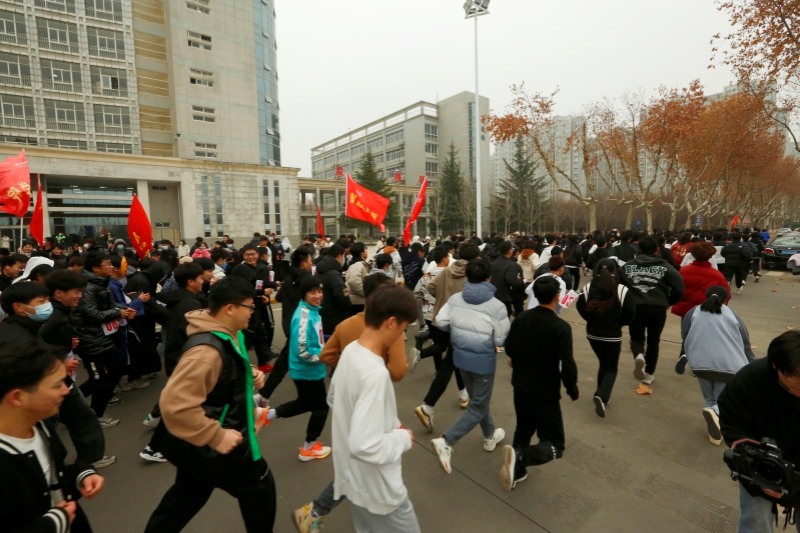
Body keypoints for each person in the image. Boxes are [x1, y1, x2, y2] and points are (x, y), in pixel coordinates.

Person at [145, 276, 272, 533]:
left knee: (181, 502)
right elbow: (173, 404)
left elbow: (225, 369)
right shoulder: (206, 351)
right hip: (221, 445)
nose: (252, 312)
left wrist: (249, 372)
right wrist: (216, 436)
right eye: (249, 306)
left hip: (201, 448)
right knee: (261, 491)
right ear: (230, 308)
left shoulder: (227, 334)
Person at [292, 273, 406, 531]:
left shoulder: (346, 326)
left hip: (347, 397)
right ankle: (318, 510)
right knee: (369, 459)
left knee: (358, 456)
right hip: (375, 399)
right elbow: (398, 371)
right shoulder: (391, 329)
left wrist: (348, 367)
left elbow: (326, 355)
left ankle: (317, 511)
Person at [326, 283, 421, 533]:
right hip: (380, 491)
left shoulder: (350, 352)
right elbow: (365, 445)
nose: (401, 335)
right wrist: (402, 438)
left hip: (353, 480)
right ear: (391, 323)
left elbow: (334, 399)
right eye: (403, 328)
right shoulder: (375, 374)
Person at [0, 340, 106, 533]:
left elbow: (51, 476)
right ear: (17, 397)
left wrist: (81, 474)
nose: (66, 390)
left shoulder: (40, 426)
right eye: (57, 386)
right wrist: (54, 523)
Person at [430, 258, 510, 474]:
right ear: (489, 278)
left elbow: (442, 321)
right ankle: (447, 440)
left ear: (468, 277)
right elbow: (500, 339)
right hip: (483, 362)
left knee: (478, 402)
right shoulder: (497, 306)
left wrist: (459, 329)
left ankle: (489, 435)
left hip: (460, 358)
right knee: (478, 405)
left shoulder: (455, 299)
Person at [500, 276, 580, 491]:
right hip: (545, 391)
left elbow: (509, 348)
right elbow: (567, 364)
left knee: (524, 427)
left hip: (520, 385)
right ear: (557, 297)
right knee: (555, 444)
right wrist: (572, 389)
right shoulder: (560, 327)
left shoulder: (521, 318)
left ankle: (516, 471)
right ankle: (520, 456)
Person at [718, 331, 800, 532]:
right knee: (756, 520)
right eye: (797, 379)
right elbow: (732, 423)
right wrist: (757, 462)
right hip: (761, 468)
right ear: (776, 365)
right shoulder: (748, 381)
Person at [40, 270, 114, 469]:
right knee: (76, 418)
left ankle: (86, 460)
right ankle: (86, 461)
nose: (80, 296)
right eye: (76, 291)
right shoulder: (54, 316)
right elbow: (34, 345)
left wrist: (66, 344)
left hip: (56, 376)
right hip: (52, 376)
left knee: (74, 417)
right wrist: (57, 363)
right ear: (58, 293)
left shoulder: (61, 312)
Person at [140, 262, 206, 462]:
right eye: (200, 278)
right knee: (180, 406)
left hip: (177, 358)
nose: (203, 281)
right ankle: (155, 447)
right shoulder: (190, 304)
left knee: (180, 403)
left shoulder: (180, 300)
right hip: (184, 360)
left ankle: (157, 442)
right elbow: (192, 334)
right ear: (191, 281)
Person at [264, 276, 332, 461]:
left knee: (304, 403)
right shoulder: (304, 317)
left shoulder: (312, 311)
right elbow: (303, 351)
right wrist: (326, 356)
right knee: (321, 408)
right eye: (312, 292)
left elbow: (314, 340)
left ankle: (267, 414)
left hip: (309, 370)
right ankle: (308, 448)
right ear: (304, 294)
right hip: (306, 371)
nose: (317, 295)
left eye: (319, 291)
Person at [413, 244, 480, 431]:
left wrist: (444, 298)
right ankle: (428, 405)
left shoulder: (448, 269)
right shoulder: (473, 273)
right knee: (449, 363)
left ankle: (462, 394)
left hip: (442, 320)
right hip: (461, 324)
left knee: (451, 359)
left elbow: (431, 286)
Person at [682, 286, 755, 446]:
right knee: (723, 402)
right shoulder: (732, 315)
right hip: (729, 366)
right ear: (726, 300)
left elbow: (685, 335)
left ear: (706, 296)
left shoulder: (692, 313)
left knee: (710, 398)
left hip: (700, 365)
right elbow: (745, 343)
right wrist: (752, 365)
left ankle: (715, 434)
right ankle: (715, 413)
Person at [73, 252, 137, 428]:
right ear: (95, 268)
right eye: (107, 264)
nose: (111, 267)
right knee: (101, 379)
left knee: (106, 377)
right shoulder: (88, 287)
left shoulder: (102, 283)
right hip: (91, 340)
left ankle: (70, 407)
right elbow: (91, 314)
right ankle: (93, 415)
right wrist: (118, 313)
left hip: (103, 338)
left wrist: (123, 309)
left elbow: (109, 305)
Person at [618, 237, 684, 385]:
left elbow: (617, 285)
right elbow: (679, 289)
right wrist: (668, 301)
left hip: (635, 306)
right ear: (657, 249)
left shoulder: (628, 266)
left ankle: (639, 355)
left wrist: (625, 302)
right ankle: (648, 373)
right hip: (658, 307)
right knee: (654, 340)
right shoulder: (666, 267)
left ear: (639, 249)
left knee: (636, 337)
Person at [576, 259, 636, 417]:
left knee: (604, 363)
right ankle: (603, 396)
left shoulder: (588, 287)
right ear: (615, 270)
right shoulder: (622, 289)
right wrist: (619, 323)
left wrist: (590, 319)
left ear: (595, 270)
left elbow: (580, 306)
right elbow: (630, 311)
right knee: (611, 368)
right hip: (612, 336)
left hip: (593, 334)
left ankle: (600, 392)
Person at [230, 244, 277, 371]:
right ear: (243, 256)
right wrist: (262, 292)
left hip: (254, 306)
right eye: (247, 255)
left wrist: (260, 296)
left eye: (253, 254)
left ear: (258, 255)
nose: (250, 257)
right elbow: (242, 291)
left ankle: (263, 363)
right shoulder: (241, 269)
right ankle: (234, 365)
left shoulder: (256, 268)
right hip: (243, 308)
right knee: (247, 337)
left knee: (260, 335)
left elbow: (254, 289)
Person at [411, 246, 449, 372]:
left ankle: (438, 370)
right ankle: (420, 354)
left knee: (437, 342)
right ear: (444, 259)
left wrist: (424, 303)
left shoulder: (426, 276)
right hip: (444, 315)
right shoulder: (449, 275)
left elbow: (416, 294)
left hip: (428, 314)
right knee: (442, 345)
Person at [316, 244, 351, 336]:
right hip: (334, 316)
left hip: (321, 314)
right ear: (339, 256)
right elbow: (343, 295)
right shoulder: (334, 274)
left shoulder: (320, 270)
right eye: (343, 256)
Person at [490, 241, 525, 318]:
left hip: (493, 295)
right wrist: (518, 280)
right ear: (509, 251)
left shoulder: (494, 263)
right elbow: (511, 280)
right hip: (505, 297)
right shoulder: (511, 265)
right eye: (512, 249)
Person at [345, 242, 370, 315]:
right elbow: (353, 282)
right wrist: (366, 293)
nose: (367, 251)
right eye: (365, 249)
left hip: (358, 302)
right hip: (357, 303)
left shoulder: (359, 264)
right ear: (361, 253)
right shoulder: (358, 265)